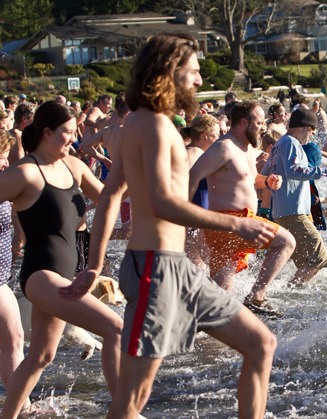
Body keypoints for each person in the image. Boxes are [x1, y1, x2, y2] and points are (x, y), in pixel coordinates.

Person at [61, 34, 278, 418]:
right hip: (155, 271)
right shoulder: (155, 126)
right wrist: (235, 225)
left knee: (261, 343)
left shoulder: (142, 124)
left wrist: (95, 264)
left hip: (174, 268)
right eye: (193, 71)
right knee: (131, 400)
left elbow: (111, 196)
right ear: (170, 72)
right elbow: (162, 203)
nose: (198, 80)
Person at [0, 102, 122, 418]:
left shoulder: (74, 166)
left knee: (41, 355)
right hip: (41, 276)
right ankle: (124, 411)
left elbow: (110, 198)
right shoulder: (25, 173)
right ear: (47, 132)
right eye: (68, 133)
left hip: (68, 274)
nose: (74, 139)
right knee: (115, 329)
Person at [189, 100, 296, 317]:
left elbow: (248, 180)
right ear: (244, 122)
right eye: (259, 122)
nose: (263, 126)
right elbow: (192, 175)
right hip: (231, 222)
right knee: (286, 242)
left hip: (233, 225)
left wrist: (267, 181)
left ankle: (192, 323)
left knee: (221, 290)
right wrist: (186, 217)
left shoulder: (246, 149)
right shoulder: (224, 147)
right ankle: (257, 297)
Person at [261, 108, 327, 287]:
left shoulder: (278, 145)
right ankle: (289, 290)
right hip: (293, 212)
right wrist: (322, 172)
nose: (311, 136)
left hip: (282, 212)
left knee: (305, 262)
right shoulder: (292, 142)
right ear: (304, 128)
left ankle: (292, 290)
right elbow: (294, 170)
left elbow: (264, 173)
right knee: (319, 257)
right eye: (312, 131)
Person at [0, 129, 29, 413]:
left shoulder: (4, 185)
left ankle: (22, 406)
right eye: (1, 158)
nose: (6, 163)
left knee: (15, 338)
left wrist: (19, 234)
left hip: (1, 279)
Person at [183, 114, 221, 270]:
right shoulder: (198, 155)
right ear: (205, 135)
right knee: (207, 268)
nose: (218, 139)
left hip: (189, 219)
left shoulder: (185, 151)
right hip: (195, 220)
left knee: (196, 268)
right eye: (216, 135)